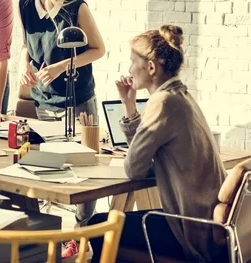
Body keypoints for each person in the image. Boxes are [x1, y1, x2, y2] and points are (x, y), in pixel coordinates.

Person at [87, 25, 227, 262]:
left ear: (151, 67)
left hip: (188, 230)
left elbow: (134, 169)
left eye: (133, 61)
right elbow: (145, 162)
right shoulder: (180, 96)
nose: (130, 68)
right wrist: (130, 107)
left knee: (98, 226)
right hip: (206, 223)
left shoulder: (161, 103)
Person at [18, 0, 105, 257]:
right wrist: (23, 67)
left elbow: (98, 49)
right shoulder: (25, 6)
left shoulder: (77, 8)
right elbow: (26, 46)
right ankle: (46, 232)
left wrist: (61, 66)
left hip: (78, 99)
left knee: (86, 167)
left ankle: (81, 233)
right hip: (43, 99)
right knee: (49, 166)